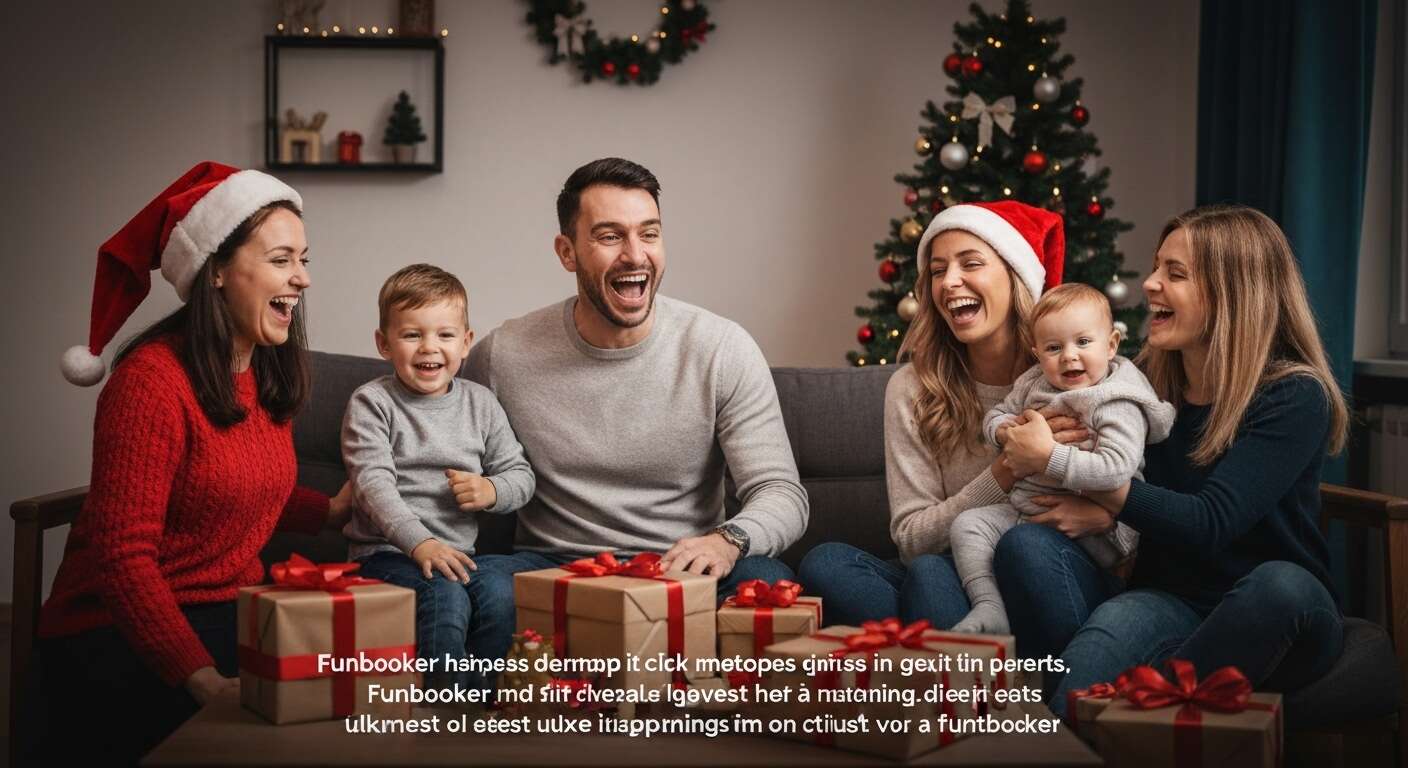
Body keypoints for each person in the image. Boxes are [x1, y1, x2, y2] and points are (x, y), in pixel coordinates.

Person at [42, 162, 355, 762]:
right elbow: (122, 557)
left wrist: (333, 510)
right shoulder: (151, 384)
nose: (303, 279)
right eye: (281, 259)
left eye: (304, 259)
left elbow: (237, 485)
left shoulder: (266, 369)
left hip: (227, 609)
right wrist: (201, 678)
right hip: (122, 631)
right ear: (216, 270)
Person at [993, 205, 1349, 717]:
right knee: (1073, 699)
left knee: (1280, 584)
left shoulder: (1293, 395)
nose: (1150, 284)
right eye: (1157, 267)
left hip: (1274, 614)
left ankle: (1139, 700)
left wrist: (1070, 472)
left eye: (1174, 273)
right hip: (1167, 598)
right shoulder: (1138, 385)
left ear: (1233, 292)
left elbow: (1208, 522)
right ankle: (1140, 702)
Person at [464, 157, 806, 598]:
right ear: (567, 252)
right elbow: (439, 431)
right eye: (610, 236)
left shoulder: (722, 348)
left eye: (649, 233)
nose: (635, 254)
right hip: (553, 567)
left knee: (771, 583)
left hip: (684, 565)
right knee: (485, 587)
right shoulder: (504, 354)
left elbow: (782, 493)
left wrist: (727, 541)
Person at [798, 201, 1088, 626]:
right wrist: (1004, 470)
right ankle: (965, 653)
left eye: (970, 263)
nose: (950, 282)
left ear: (1016, 276)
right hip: (945, 571)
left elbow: (1119, 487)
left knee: (989, 560)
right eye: (937, 271)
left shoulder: (1068, 374)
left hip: (1038, 573)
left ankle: (947, 651)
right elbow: (913, 541)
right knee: (831, 564)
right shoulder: (912, 389)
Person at [341, 263, 534, 690]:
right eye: (412, 334)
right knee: (444, 596)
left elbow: (520, 475)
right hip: (385, 555)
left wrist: (491, 490)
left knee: (501, 596)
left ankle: (481, 699)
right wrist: (421, 543)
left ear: (466, 343)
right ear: (384, 343)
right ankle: (443, 708)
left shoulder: (480, 403)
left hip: (459, 556)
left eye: (445, 335)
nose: (430, 348)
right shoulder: (373, 403)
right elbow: (373, 486)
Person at [948, 282, 1175, 634]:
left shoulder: (1116, 401)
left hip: (1096, 532)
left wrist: (1046, 456)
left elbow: (1116, 469)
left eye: (1083, 342)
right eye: (1054, 348)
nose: (1069, 356)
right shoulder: (1033, 381)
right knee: (968, 525)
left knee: (1026, 549)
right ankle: (988, 606)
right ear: (1037, 353)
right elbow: (996, 415)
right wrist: (1006, 433)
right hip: (1026, 511)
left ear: (1111, 344)